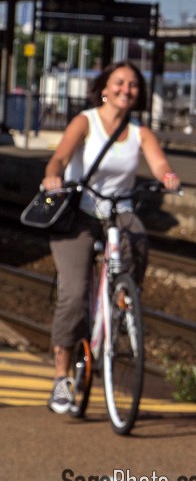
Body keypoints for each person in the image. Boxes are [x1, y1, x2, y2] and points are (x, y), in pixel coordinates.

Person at [42, 61, 179, 415]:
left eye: (133, 85)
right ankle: (61, 378)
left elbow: (159, 162)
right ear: (105, 87)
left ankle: (122, 302)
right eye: (119, 82)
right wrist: (53, 177)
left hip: (119, 211)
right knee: (73, 294)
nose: (126, 89)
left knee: (139, 237)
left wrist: (168, 177)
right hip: (80, 213)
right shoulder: (85, 122)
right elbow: (59, 158)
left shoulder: (140, 132)